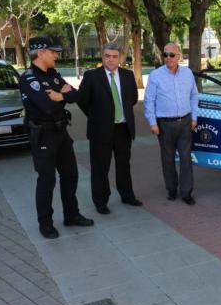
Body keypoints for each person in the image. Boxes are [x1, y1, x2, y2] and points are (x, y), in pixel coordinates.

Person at [19, 37, 94, 239]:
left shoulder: (52, 74)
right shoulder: (28, 78)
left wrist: (60, 96)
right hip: (43, 135)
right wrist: (61, 97)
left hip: (61, 133)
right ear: (41, 52)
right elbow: (47, 106)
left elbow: (75, 95)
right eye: (53, 51)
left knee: (70, 175)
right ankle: (45, 222)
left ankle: (71, 214)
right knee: (47, 180)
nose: (56, 55)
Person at [78, 42, 142, 215]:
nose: (111, 59)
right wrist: (97, 118)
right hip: (100, 131)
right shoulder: (92, 76)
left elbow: (133, 99)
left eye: (114, 56)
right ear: (102, 56)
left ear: (120, 57)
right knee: (100, 168)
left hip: (123, 129)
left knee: (124, 165)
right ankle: (101, 202)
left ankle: (127, 196)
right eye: (107, 56)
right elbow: (82, 100)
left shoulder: (128, 75)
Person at [144, 43, 199, 204]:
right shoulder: (156, 75)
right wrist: (152, 123)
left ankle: (186, 192)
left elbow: (194, 96)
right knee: (167, 158)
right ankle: (171, 189)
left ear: (179, 56)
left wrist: (194, 118)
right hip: (164, 124)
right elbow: (149, 101)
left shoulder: (187, 73)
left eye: (172, 55)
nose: (168, 58)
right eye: (165, 55)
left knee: (185, 158)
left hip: (185, 122)